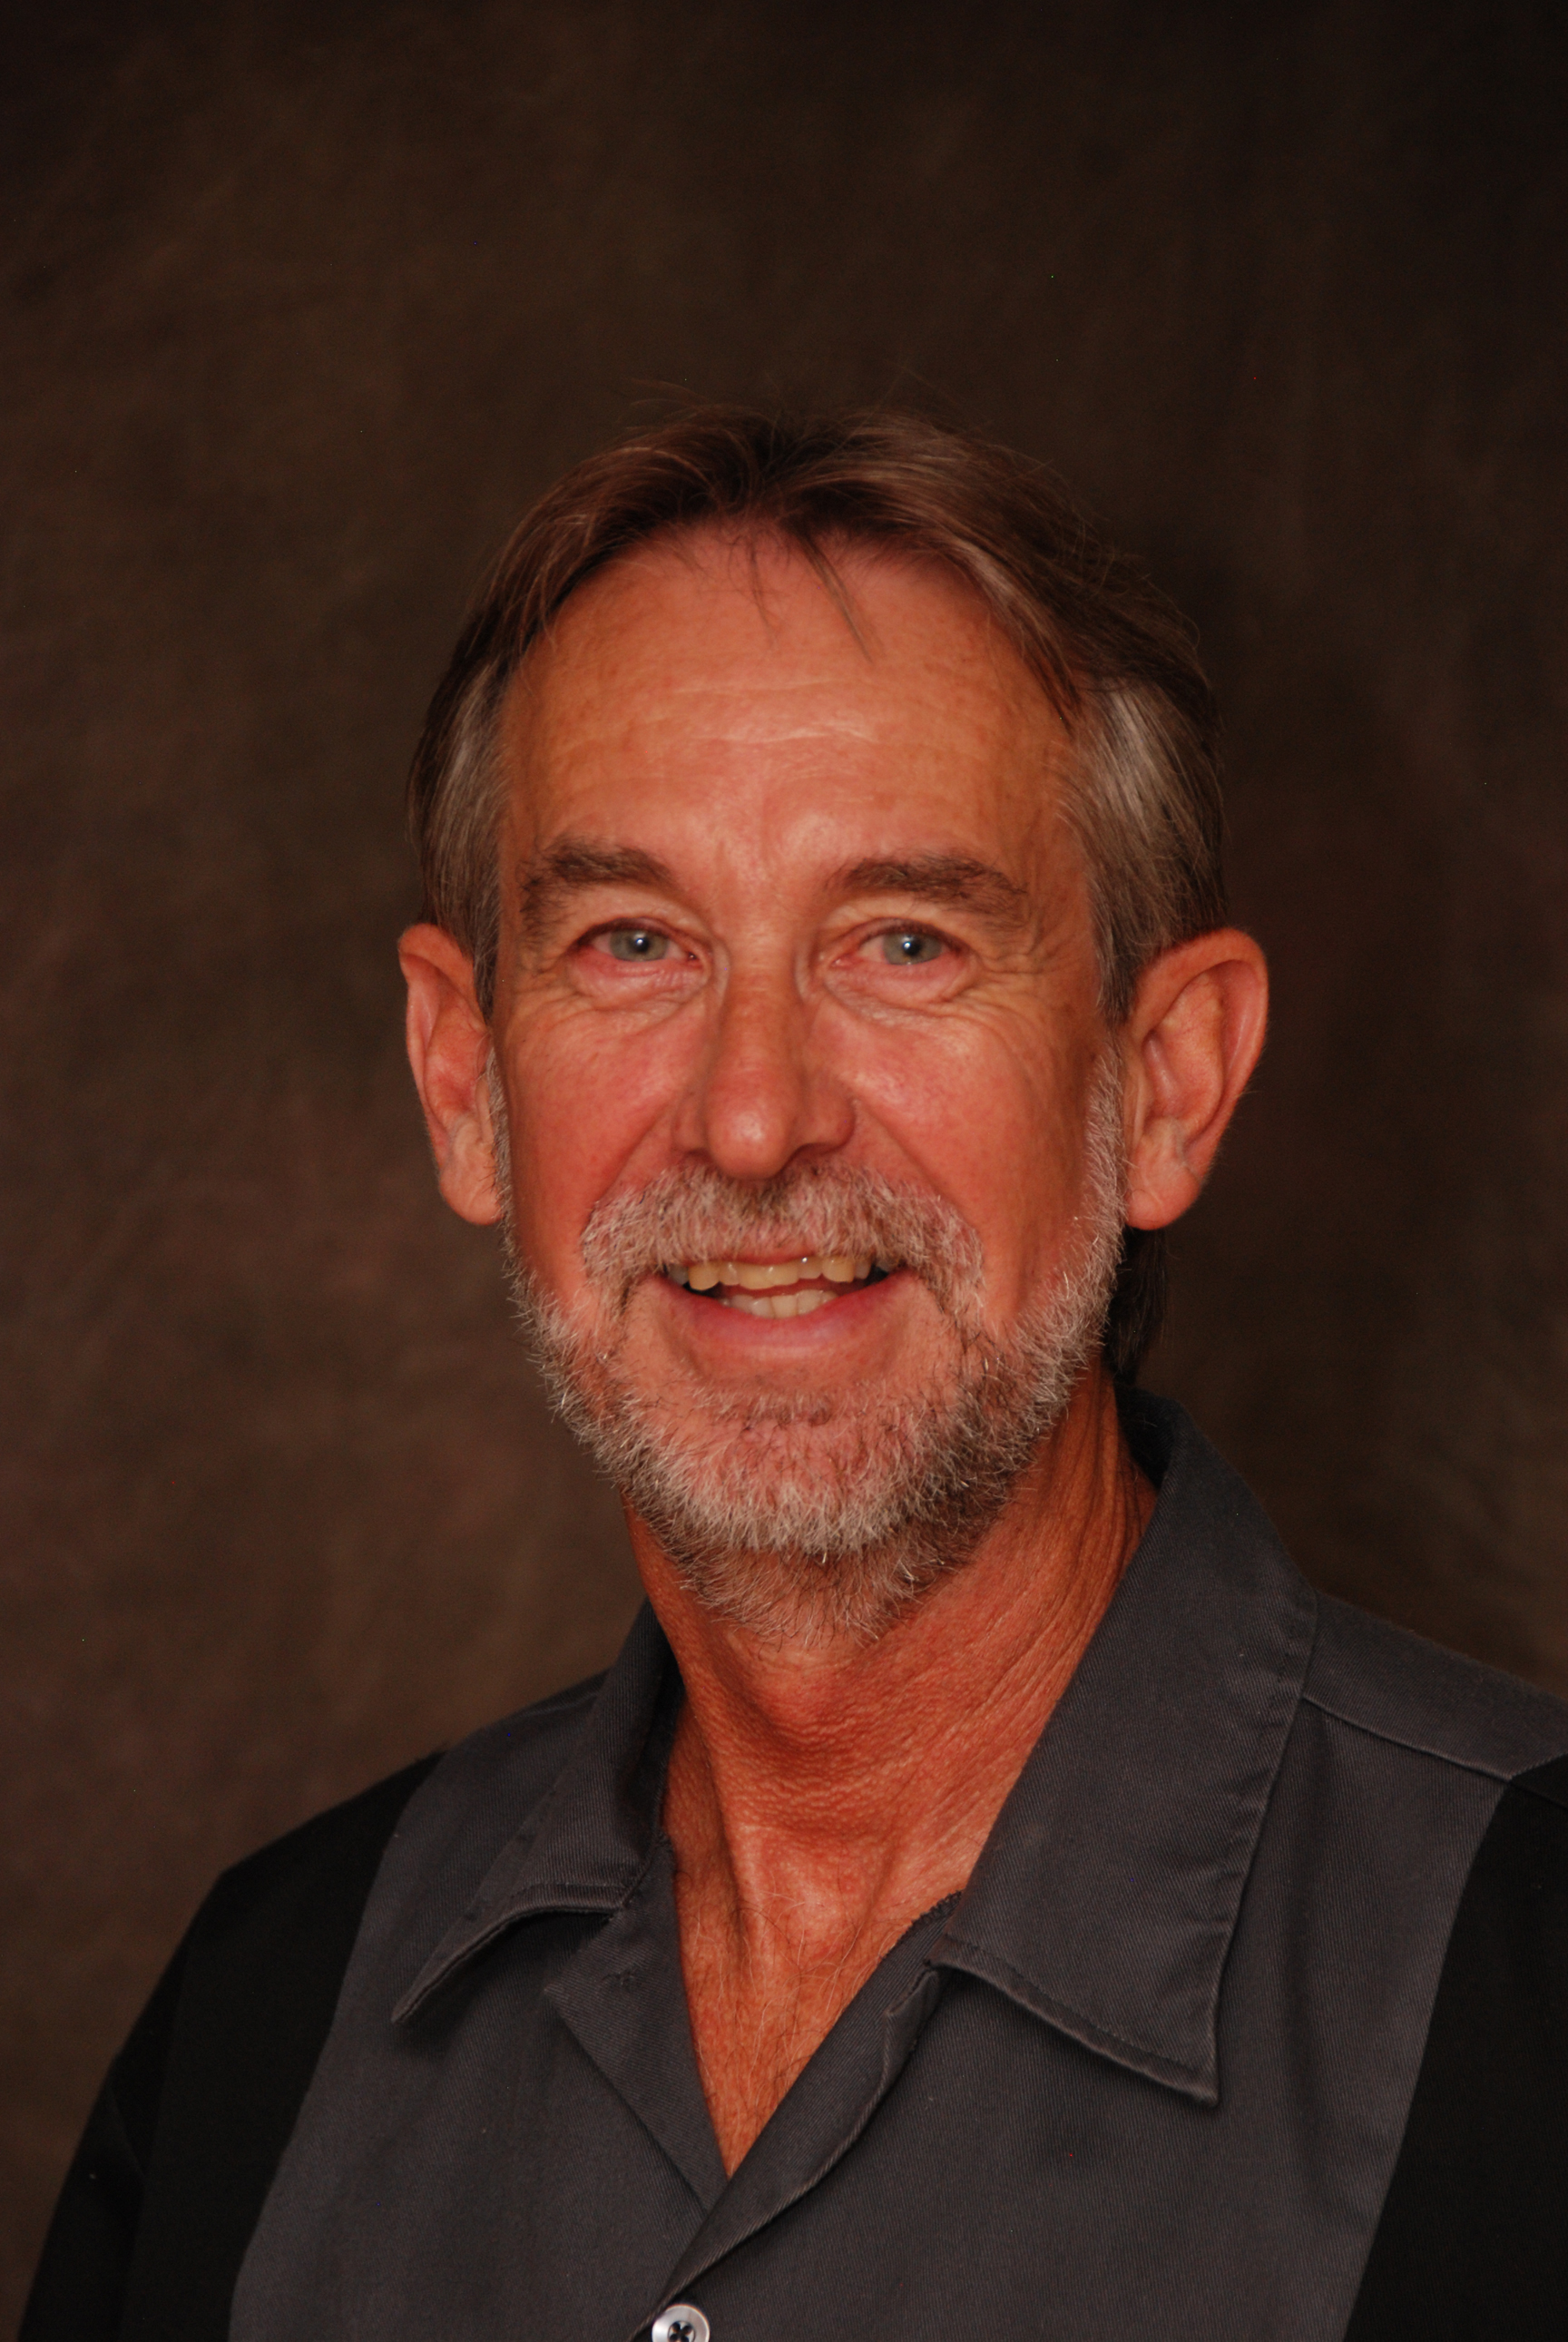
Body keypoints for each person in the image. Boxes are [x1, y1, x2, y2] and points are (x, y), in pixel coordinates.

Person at [24, 408, 1568, 2342]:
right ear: (465, 1079)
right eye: (634, 942)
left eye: (905, 940)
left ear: (1164, 1083)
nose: (753, 1118)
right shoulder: (270, 2022)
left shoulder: (1532, 2006)